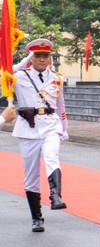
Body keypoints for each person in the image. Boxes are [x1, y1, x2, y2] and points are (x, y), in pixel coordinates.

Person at [14, 39, 70, 233]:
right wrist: (23, 62)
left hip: (50, 125)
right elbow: (3, 74)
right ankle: (36, 218)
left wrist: (64, 128)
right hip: (28, 128)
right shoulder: (19, 75)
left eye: (45, 56)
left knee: (52, 156)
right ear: (31, 57)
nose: (42, 60)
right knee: (31, 175)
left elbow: (60, 106)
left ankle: (56, 195)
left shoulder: (56, 78)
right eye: (37, 56)